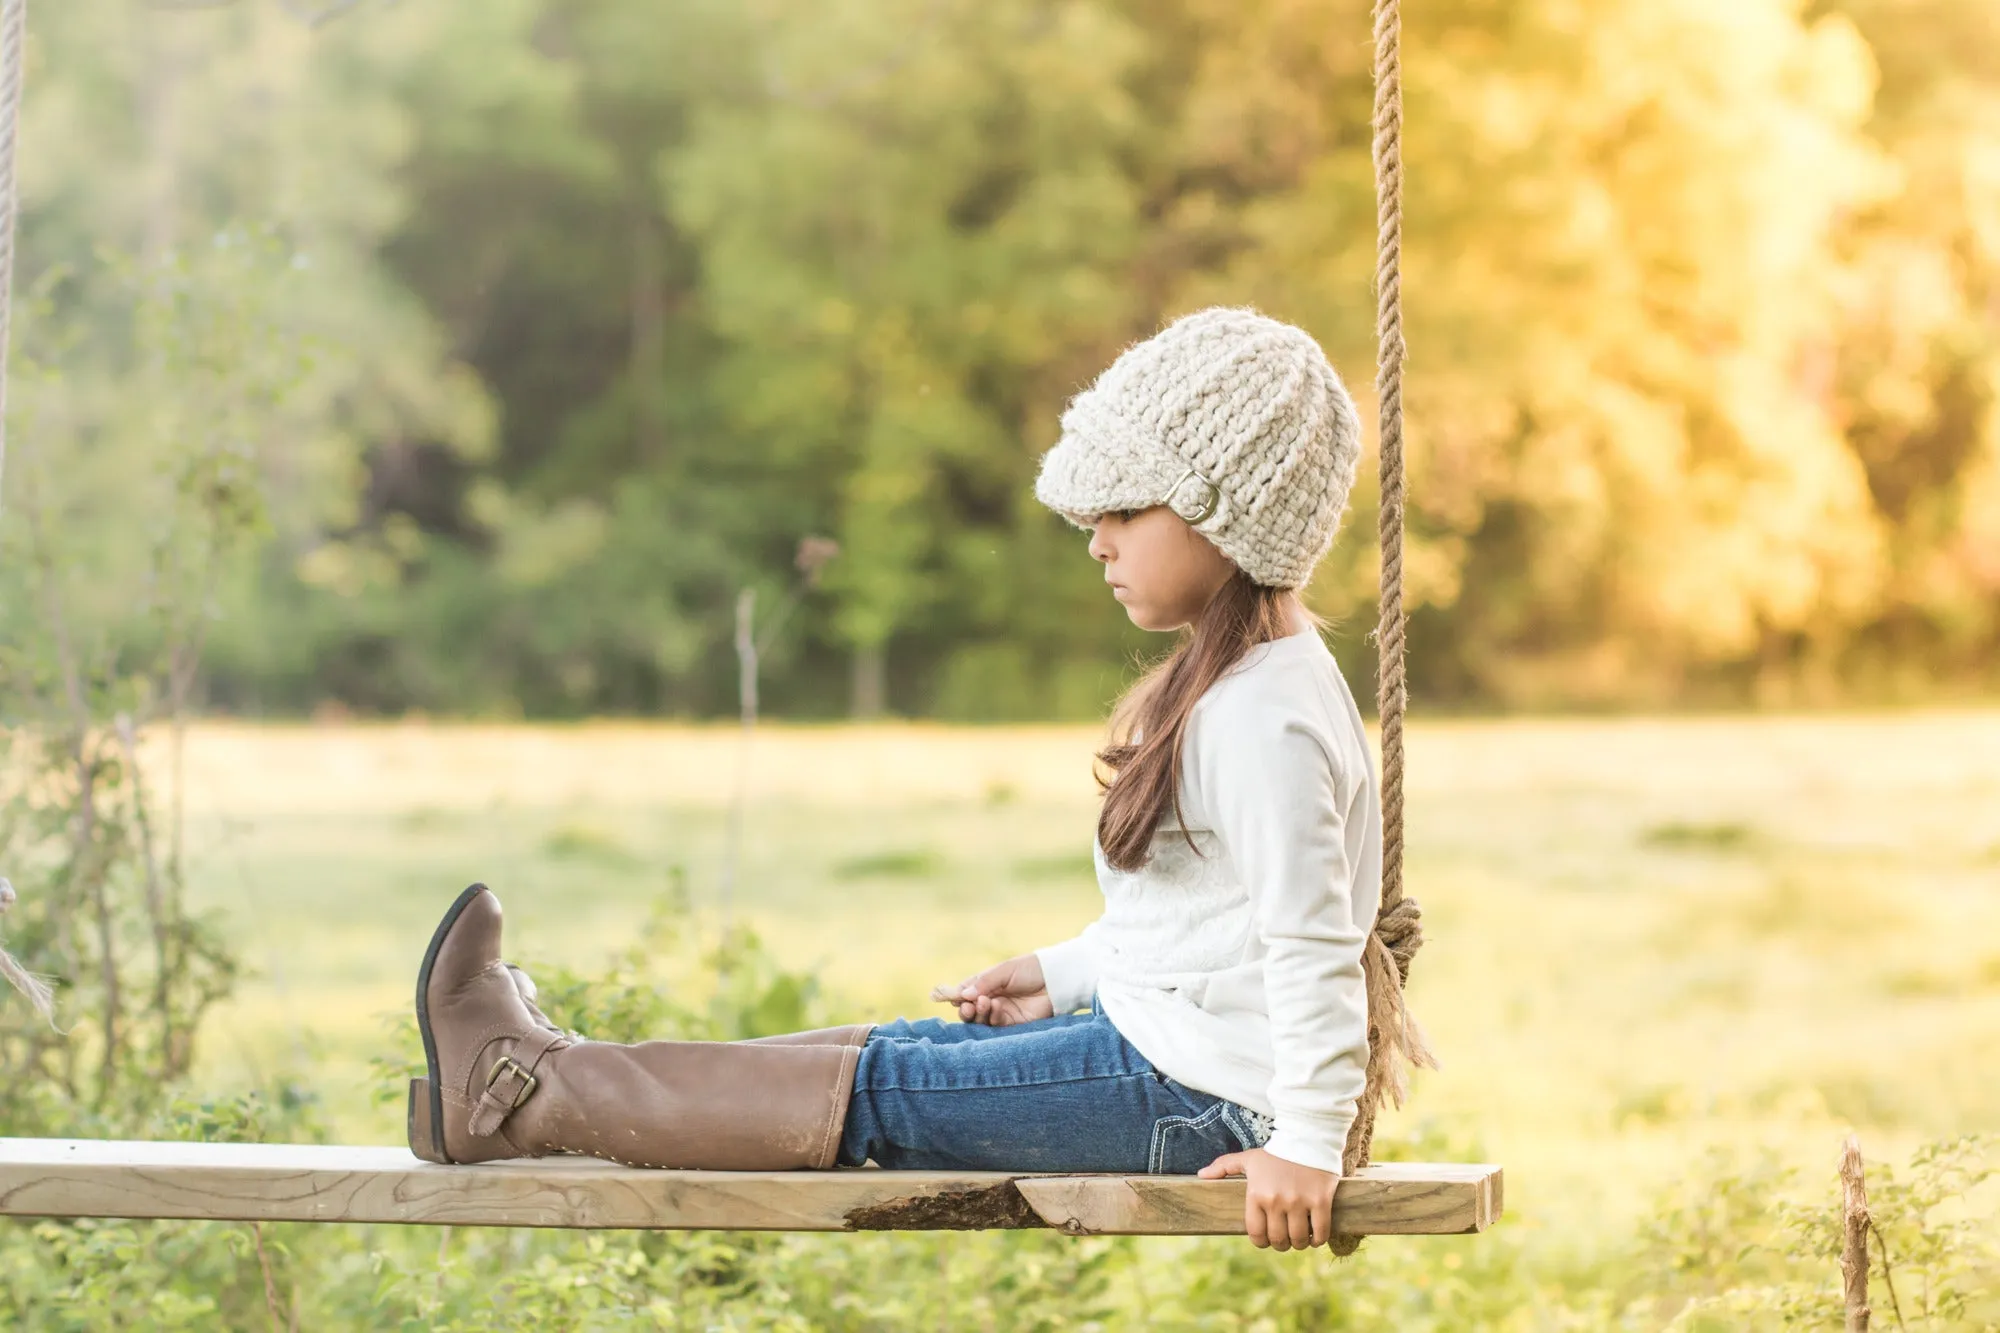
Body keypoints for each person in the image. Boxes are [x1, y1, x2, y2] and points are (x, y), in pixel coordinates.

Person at [409, 306, 1378, 1252]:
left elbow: (1308, 940)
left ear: (1228, 517)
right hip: (1173, 1060)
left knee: (876, 1091)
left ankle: (518, 1088)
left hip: (1199, 1098)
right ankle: (531, 1080)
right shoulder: (1248, 683)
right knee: (870, 1056)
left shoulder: (1264, 716)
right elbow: (1214, 926)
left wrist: (1305, 1145)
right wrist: (1067, 973)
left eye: (1125, 509)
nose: (1096, 537)